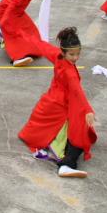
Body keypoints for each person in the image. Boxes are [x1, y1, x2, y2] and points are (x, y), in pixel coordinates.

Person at [18, 27, 97, 179]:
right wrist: (87, 110)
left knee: (70, 129)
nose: (75, 57)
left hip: (51, 99)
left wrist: (23, 33)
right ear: (64, 52)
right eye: (72, 54)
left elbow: (41, 45)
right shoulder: (69, 72)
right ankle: (67, 165)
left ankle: (56, 149)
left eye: (77, 54)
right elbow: (77, 92)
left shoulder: (57, 56)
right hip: (62, 104)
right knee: (79, 133)